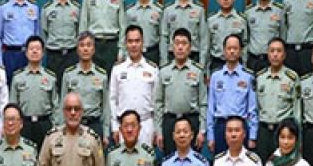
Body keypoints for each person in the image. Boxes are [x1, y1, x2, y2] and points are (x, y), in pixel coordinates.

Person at [154, 28, 207, 156]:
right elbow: (158, 103)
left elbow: (204, 103)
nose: (180, 47)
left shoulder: (198, 71)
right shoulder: (164, 71)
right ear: (172, 47)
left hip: (192, 121)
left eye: (184, 43)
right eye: (177, 43)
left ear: (190, 47)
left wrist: (202, 130)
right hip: (170, 122)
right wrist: (159, 131)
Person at [206, 34, 258, 156]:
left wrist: (253, 135)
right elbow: (210, 109)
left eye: (235, 48)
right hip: (221, 127)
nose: (232, 51)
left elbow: (252, 108)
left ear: (240, 51)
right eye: (229, 48)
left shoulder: (248, 76)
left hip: (240, 127)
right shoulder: (215, 76)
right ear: (224, 51)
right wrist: (210, 135)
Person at [109, 25, 159, 146]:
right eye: (130, 41)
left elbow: (157, 102)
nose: (134, 45)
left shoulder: (152, 69)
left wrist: (156, 128)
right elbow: (112, 100)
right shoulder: (117, 69)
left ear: (142, 43)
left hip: (146, 124)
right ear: (125, 43)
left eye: (137, 41)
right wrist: (115, 127)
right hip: (124, 127)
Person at [255, 37, 302, 163]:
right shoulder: (260, 77)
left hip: (283, 132)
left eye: (279, 51)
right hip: (263, 131)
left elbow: (297, 110)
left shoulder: (292, 78)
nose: (275, 54)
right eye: (272, 51)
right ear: (268, 54)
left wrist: (297, 137)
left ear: (285, 54)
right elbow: (255, 108)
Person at [9, 35, 59, 148]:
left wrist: (55, 127)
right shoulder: (18, 77)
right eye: (31, 49)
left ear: (43, 53)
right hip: (24, 125)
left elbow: (56, 105)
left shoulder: (50, 77)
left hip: (44, 124)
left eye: (38, 49)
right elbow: (13, 105)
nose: (34, 51)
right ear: (26, 53)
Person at [60, 32, 110, 141]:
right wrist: (61, 129)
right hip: (73, 124)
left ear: (93, 49)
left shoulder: (101, 75)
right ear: (77, 50)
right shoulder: (69, 74)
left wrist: (106, 132)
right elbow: (62, 105)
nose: (85, 49)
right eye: (82, 45)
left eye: (89, 45)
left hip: (94, 125)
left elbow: (106, 107)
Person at [79, 0, 125, 73]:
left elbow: (123, 26)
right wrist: (83, 47)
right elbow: (83, 24)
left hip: (112, 45)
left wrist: (121, 50)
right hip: (93, 44)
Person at [0, 0, 39, 82]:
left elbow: (37, 35)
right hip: (10, 55)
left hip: (29, 55)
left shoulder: (34, 7)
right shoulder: (3, 7)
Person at [160, 0, 209, 69]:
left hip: (193, 55)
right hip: (172, 55)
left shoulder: (199, 10)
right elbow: (164, 37)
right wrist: (164, 62)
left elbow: (204, 38)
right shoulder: (168, 10)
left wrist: (202, 63)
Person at [40, 0, 80, 85]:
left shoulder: (76, 8)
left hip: (71, 55)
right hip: (53, 56)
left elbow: (79, 33)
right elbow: (43, 33)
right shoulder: (47, 9)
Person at [245, 0, 285, 74]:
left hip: (272, 61)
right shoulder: (249, 11)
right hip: (253, 60)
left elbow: (283, 36)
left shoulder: (279, 10)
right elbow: (246, 38)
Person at [207, 0, 248, 73]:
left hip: (237, 63)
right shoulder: (210, 20)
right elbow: (207, 46)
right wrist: (206, 70)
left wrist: (244, 66)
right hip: (217, 63)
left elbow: (245, 44)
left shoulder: (241, 19)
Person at [122, 0, 162, 65]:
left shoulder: (159, 10)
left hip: (152, 53)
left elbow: (162, 36)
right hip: (133, 53)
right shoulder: (129, 11)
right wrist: (124, 54)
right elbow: (124, 35)